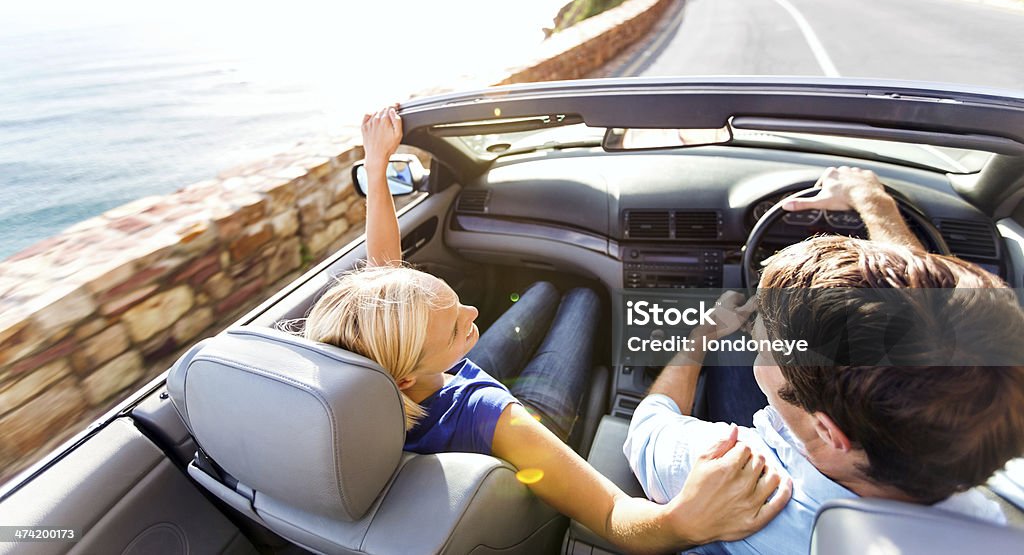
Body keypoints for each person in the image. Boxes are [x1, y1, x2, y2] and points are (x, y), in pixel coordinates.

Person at [301, 105, 792, 554]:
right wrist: (682, 521)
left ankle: (537, 299)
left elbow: (385, 272)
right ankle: (571, 299)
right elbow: (611, 513)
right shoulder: (493, 416)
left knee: (541, 290)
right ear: (405, 375)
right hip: (522, 414)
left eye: (455, 302)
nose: (474, 313)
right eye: (454, 326)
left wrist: (378, 164)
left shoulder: (357, 391)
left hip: (444, 382)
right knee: (580, 297)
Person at [624, 166, 1024, 554]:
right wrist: (874, 203)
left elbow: (647, 427)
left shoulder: (739, 475)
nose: (756, 334)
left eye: (765, 343)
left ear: (831, 433)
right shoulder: (1008, 487)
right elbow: (932, 318)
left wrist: (700, 339)